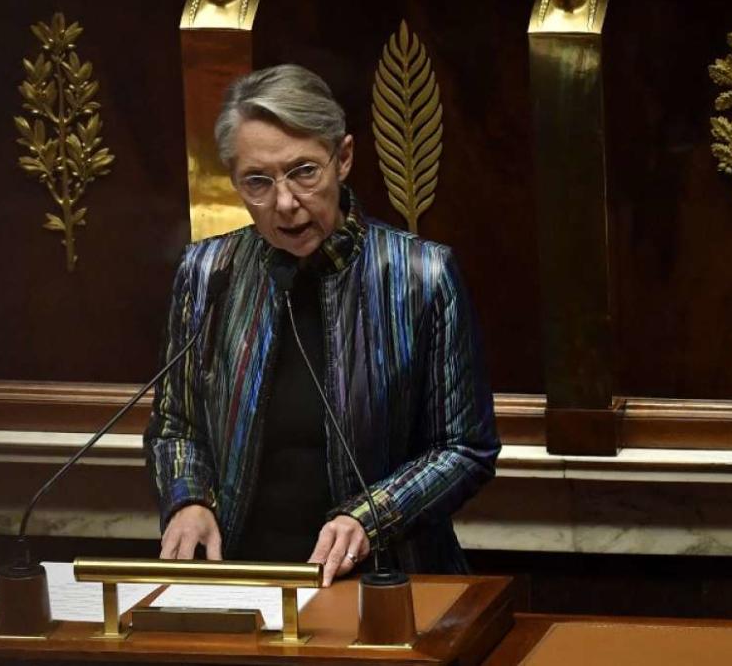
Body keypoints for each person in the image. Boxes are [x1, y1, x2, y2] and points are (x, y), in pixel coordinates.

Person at [144, 64, 499, 586]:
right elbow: (176, 424)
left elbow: (466, 448)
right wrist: (188, 497)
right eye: (258, 182)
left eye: (304, 172)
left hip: (385, 577)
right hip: (245, 577)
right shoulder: (207, 273)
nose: (285, 204)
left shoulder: (421, 277)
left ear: (344, 158)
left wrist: (370, 515)